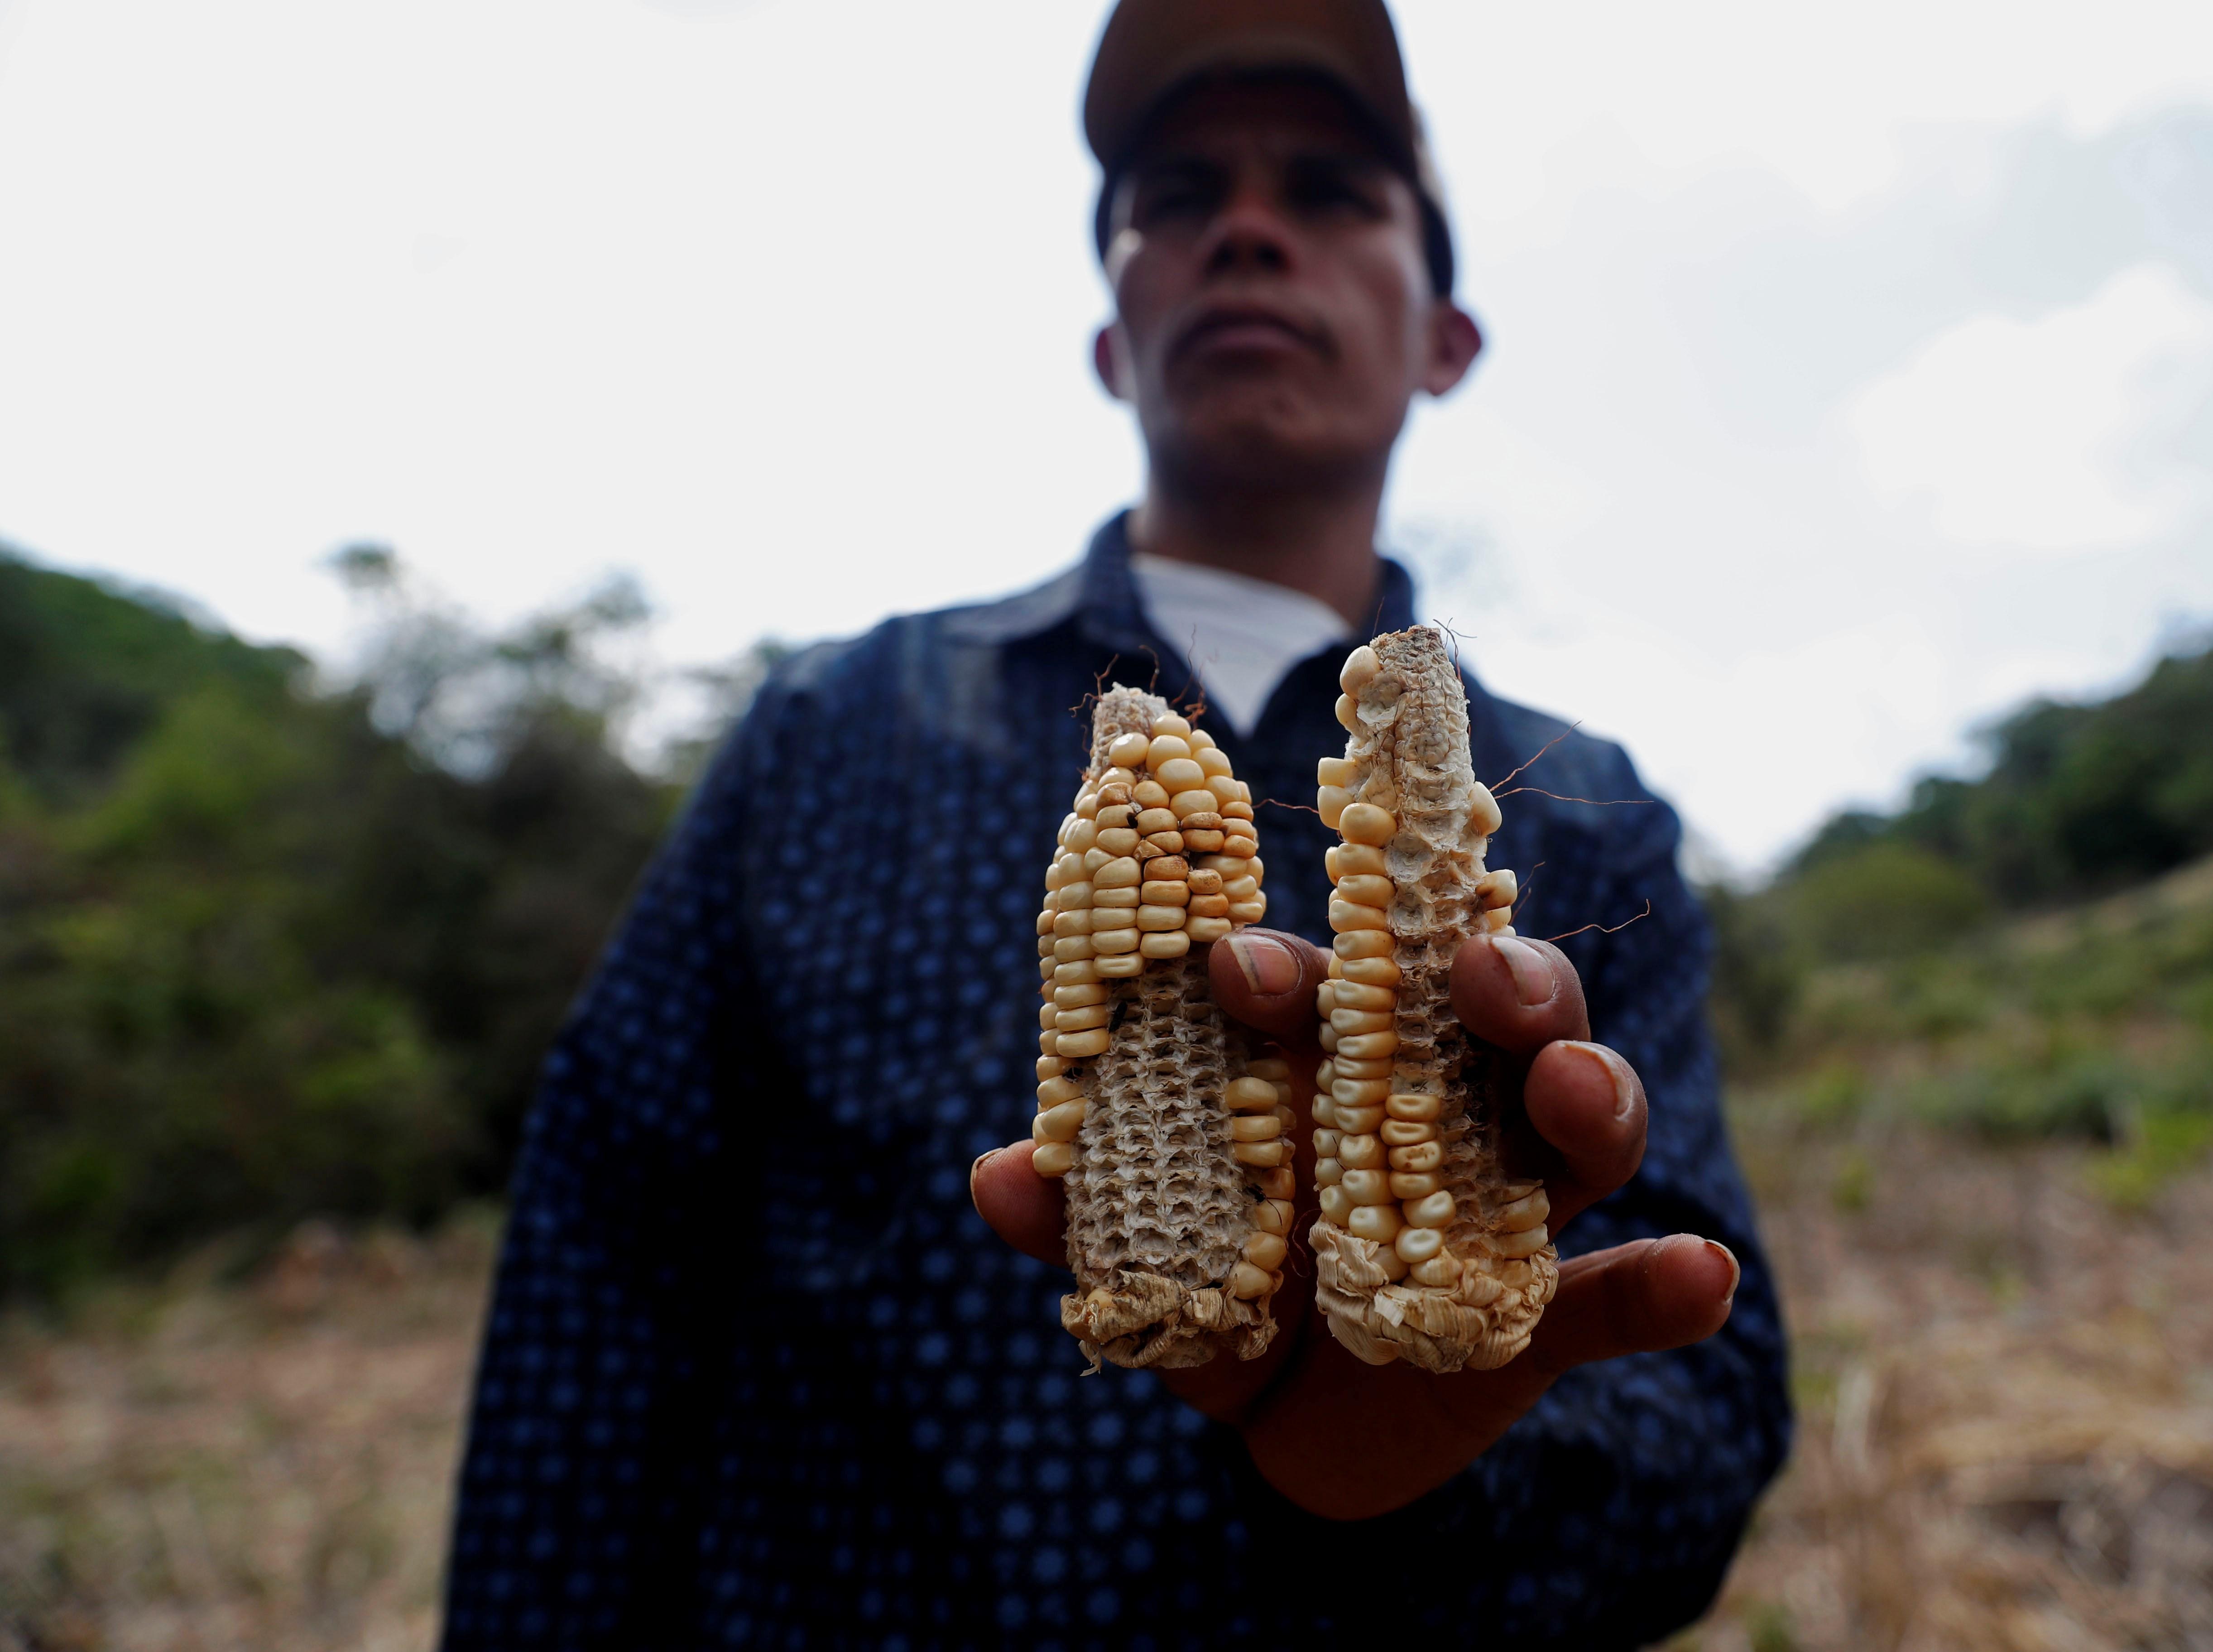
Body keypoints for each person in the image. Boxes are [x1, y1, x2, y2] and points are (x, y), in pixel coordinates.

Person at [441, 2, 1791, 1645]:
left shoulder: (1594, 817)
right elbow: (606, 1285)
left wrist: (1440, 1467)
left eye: (1332, 191)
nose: (1245, 228)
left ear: (1445, 336)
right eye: (1173, 195)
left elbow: (1706, 1409)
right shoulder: (831, 730)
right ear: (1111, 336)